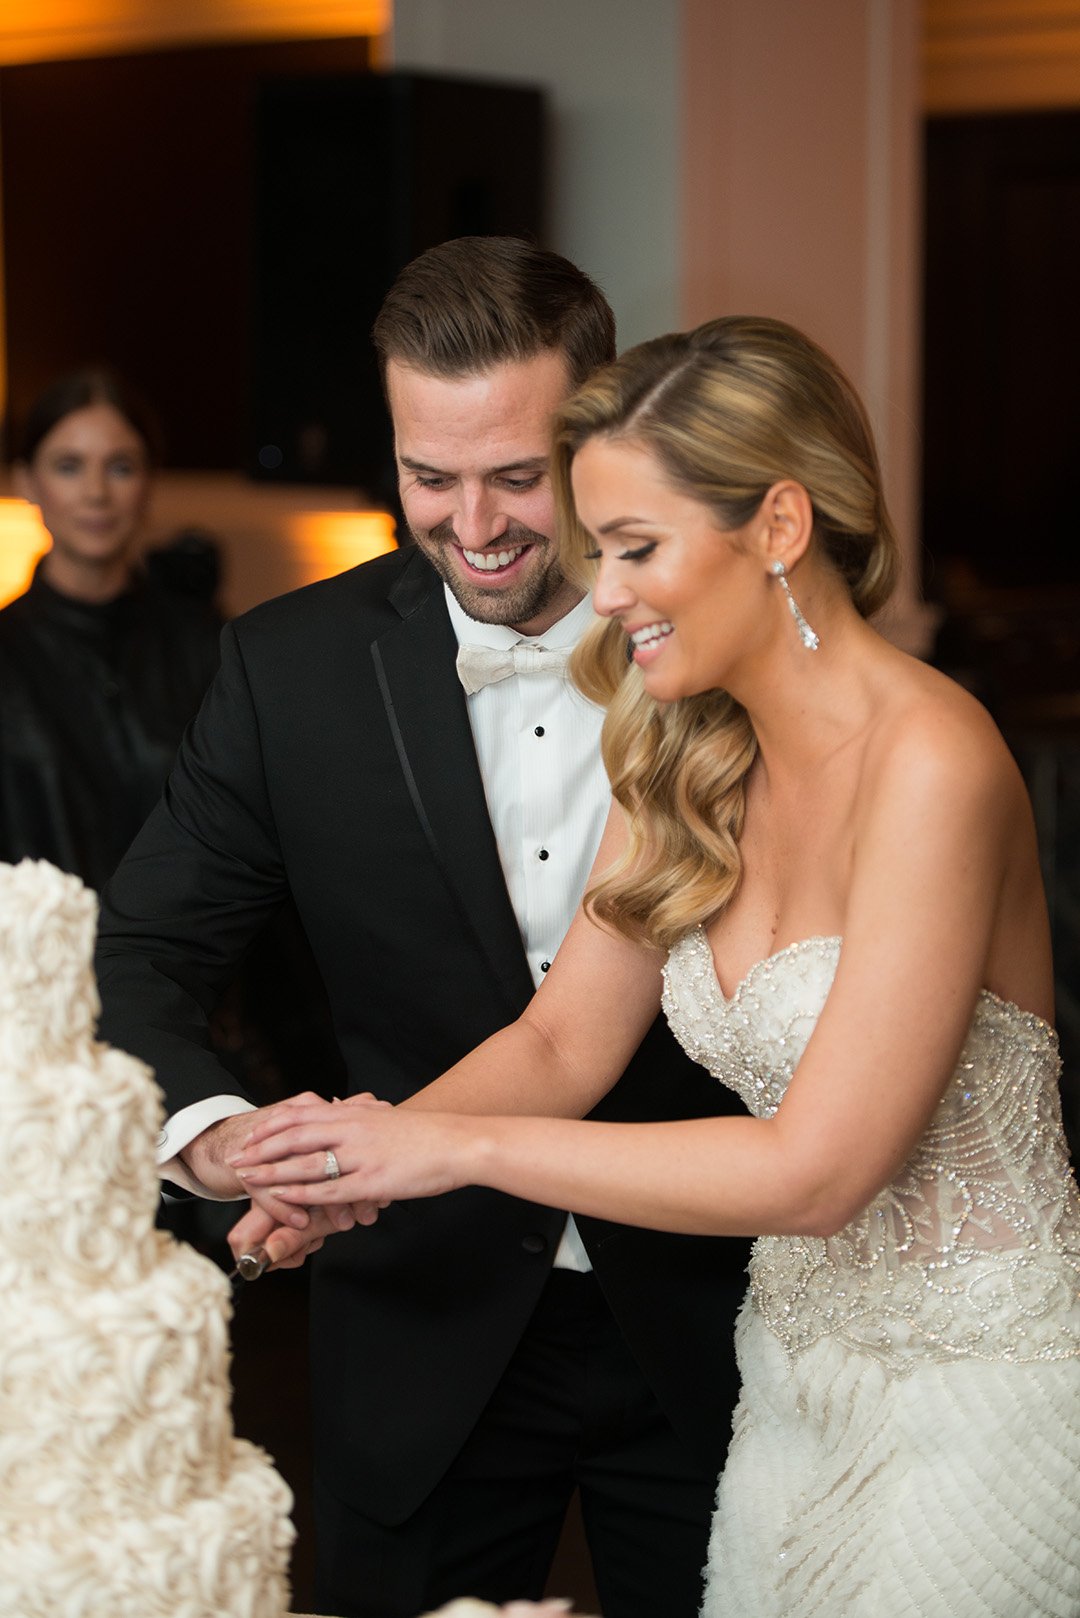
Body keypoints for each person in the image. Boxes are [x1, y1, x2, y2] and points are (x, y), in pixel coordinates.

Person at [230, 315, 1080, 1618]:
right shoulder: (686, 748)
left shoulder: (935, 763)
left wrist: (461, 1152)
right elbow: (567, 1041)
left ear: (779, 526)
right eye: (595, 550)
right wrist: (367, 1150)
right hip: (789, 1392)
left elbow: (816, 1170)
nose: (604, 590)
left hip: (980, 1402)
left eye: (635, 548)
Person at [95, 238, 750, 1618]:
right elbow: (135, 950)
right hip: (419, 1333)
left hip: (724, 1320)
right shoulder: (286, 671)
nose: (476, 523)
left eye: (517, 475)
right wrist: (215, 1134)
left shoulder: (725, 652)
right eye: (427, 475)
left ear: (601, 434)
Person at [0, 370, 220, 889]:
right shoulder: (5, 654)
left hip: (181, 964)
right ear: (27, 482)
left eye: (120, 467)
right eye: (69, 466)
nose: (96, 492)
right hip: (36, 963)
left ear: (149, 482)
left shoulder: (210, 647)